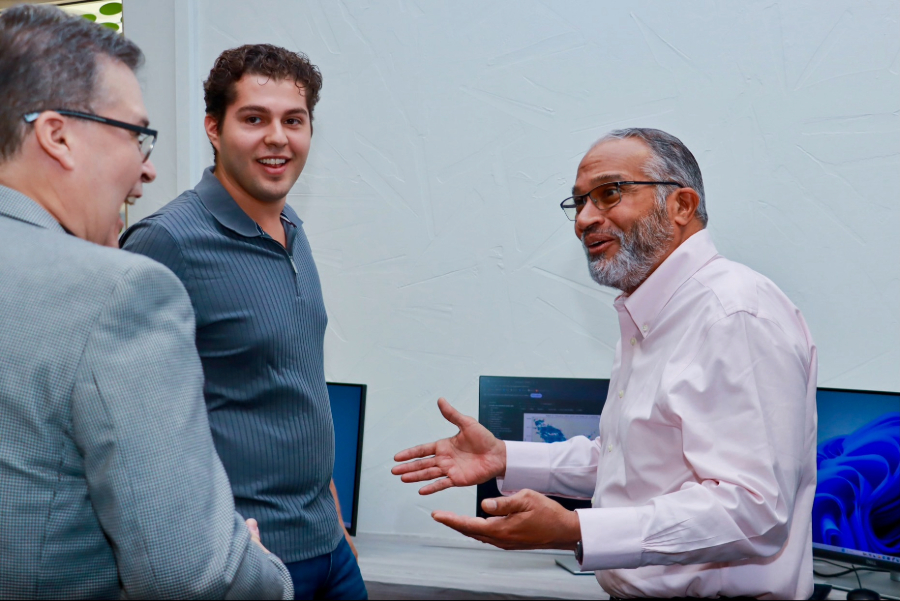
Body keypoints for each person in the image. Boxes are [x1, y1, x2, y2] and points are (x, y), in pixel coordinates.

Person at [392, 128, 817, 600]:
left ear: (681, 205)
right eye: (579, 203)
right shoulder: (650, 312)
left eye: (609, 193)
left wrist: (577, 530)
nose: (584, 220)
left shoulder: (733, 313)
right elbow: (630, 463)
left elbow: (753, 512)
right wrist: (505, 458)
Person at [0, 6, 292, 599]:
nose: (148, 168)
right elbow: (189, 575)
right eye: (136, 135)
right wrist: (262, 570)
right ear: (57, 135)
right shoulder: (119, 289)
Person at [121, 44, 367, 600]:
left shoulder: (292, 228)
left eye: (293, 120)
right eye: (254, 119)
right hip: (247, 560)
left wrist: (331, 514)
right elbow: (128, 423)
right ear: (214, 127)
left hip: (330, 546)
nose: (277, 137)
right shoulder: (167, 240)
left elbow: (294, 386)